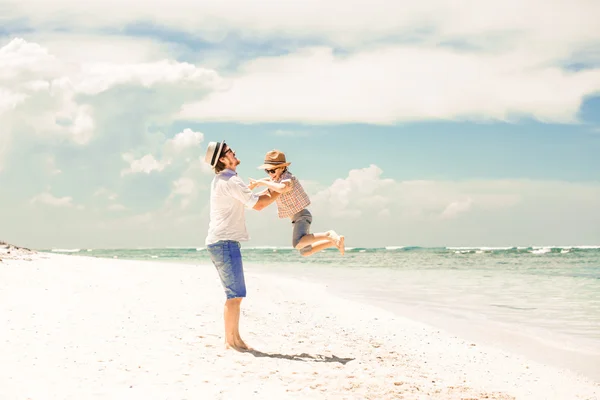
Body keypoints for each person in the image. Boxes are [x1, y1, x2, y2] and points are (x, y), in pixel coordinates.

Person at [204, 140, 281, 351]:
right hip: (224, 242)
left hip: (221, 242)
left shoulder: (224, 179)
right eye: (229, 151)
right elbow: (259, 204)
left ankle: (234, 339)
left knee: (235, 295)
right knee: (234, 295)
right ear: (222, 159)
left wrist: (274, 187)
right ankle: (231, 341)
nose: (234, 152)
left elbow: (256, 198)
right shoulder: (230, 180)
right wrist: (283, 188)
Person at [248, 149, 345, 257]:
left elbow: (281, 188)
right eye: (268, 171)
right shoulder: (276, 180)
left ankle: (328, 235)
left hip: (302, 216)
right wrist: (249, 193)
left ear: (283, 168)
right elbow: (267, 192)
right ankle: (334, 241)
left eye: (272, 171)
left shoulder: (288, 179)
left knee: (297, 243)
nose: (270, 174)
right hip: (297, 218)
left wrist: (261, 182)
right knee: (305, 251)